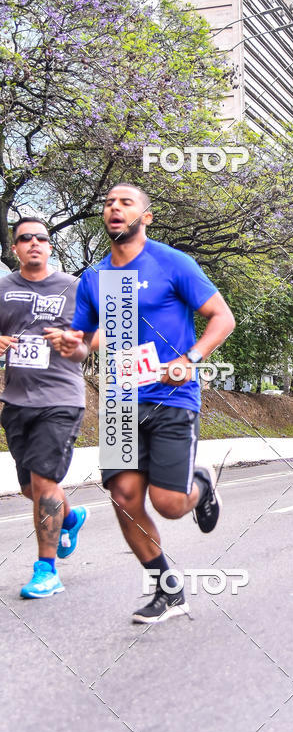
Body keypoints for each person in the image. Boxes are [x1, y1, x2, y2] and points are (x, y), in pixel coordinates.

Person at [58, 184, 235, 623]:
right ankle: (168, 590)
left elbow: (222, 317)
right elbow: (85, 343)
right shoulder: (95, 278)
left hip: (171, 396)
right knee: (123, 496)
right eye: (108, 203)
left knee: (170, 504)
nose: (114, 208)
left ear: (146, 216)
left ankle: (200, 482)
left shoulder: (171, 262)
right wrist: (71, 346)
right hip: (120, 402)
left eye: (126, 202)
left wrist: (189, 359)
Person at [0, 218, 88, 599]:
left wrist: (72, 342)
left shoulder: (73, 288)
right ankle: (70, 516)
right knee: (27, 487)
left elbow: (92, 343)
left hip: (61, 398)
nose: (34, 243)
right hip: (17, 400)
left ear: (50, 246)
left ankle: (46, 571)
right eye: (25, 238)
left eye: (42, 238)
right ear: (15, 247)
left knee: (43, 482)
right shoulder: (2, 289)